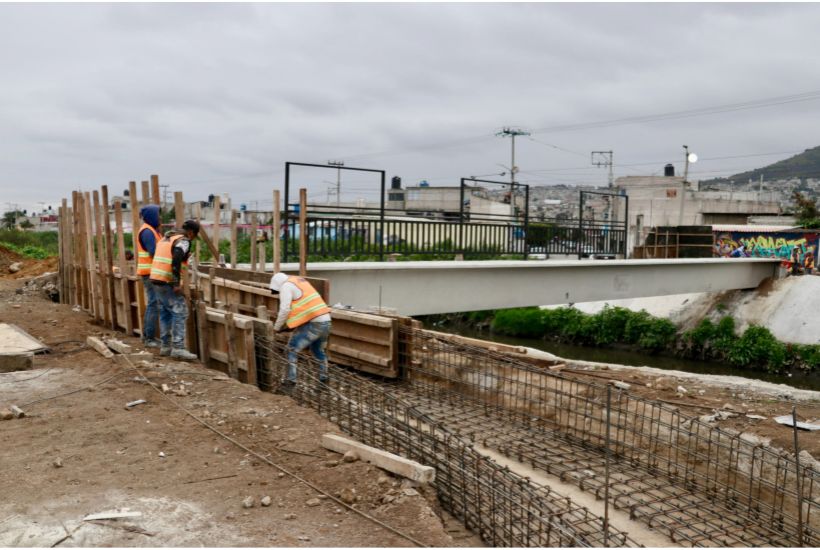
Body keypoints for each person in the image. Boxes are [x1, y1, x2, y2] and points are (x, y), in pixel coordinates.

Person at [268, 272, 332, 389]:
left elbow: (284, 309)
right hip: (326, 321)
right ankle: (324, 379)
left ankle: (290, 381)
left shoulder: (286, 286)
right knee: (317, 350)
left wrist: (276, 328)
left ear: (277, 285)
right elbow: (304, 308)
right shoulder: (299, 281)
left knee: (291, 349)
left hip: (314, 323)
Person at [149, 220, 200, 360]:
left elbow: (168, 256)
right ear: (191, 233)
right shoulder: (184, 241)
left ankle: (166, 346)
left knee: (165, 312)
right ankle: (178, 348)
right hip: (167, 281)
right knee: (180, 312)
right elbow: (176, 257)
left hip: (156, 278)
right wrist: (176, 282)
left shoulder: (166, 238)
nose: (193, 239)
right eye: (194, 236)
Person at [136, 205, 162, 347]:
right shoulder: (147, 232)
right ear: (152, 216)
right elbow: (154, 252)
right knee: (154, 304)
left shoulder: (153, 231)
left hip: (153, 272)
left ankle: (148, 336)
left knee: (154, 303)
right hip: (150, 273)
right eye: (158, 215)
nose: (160, 218)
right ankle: (149, 338)